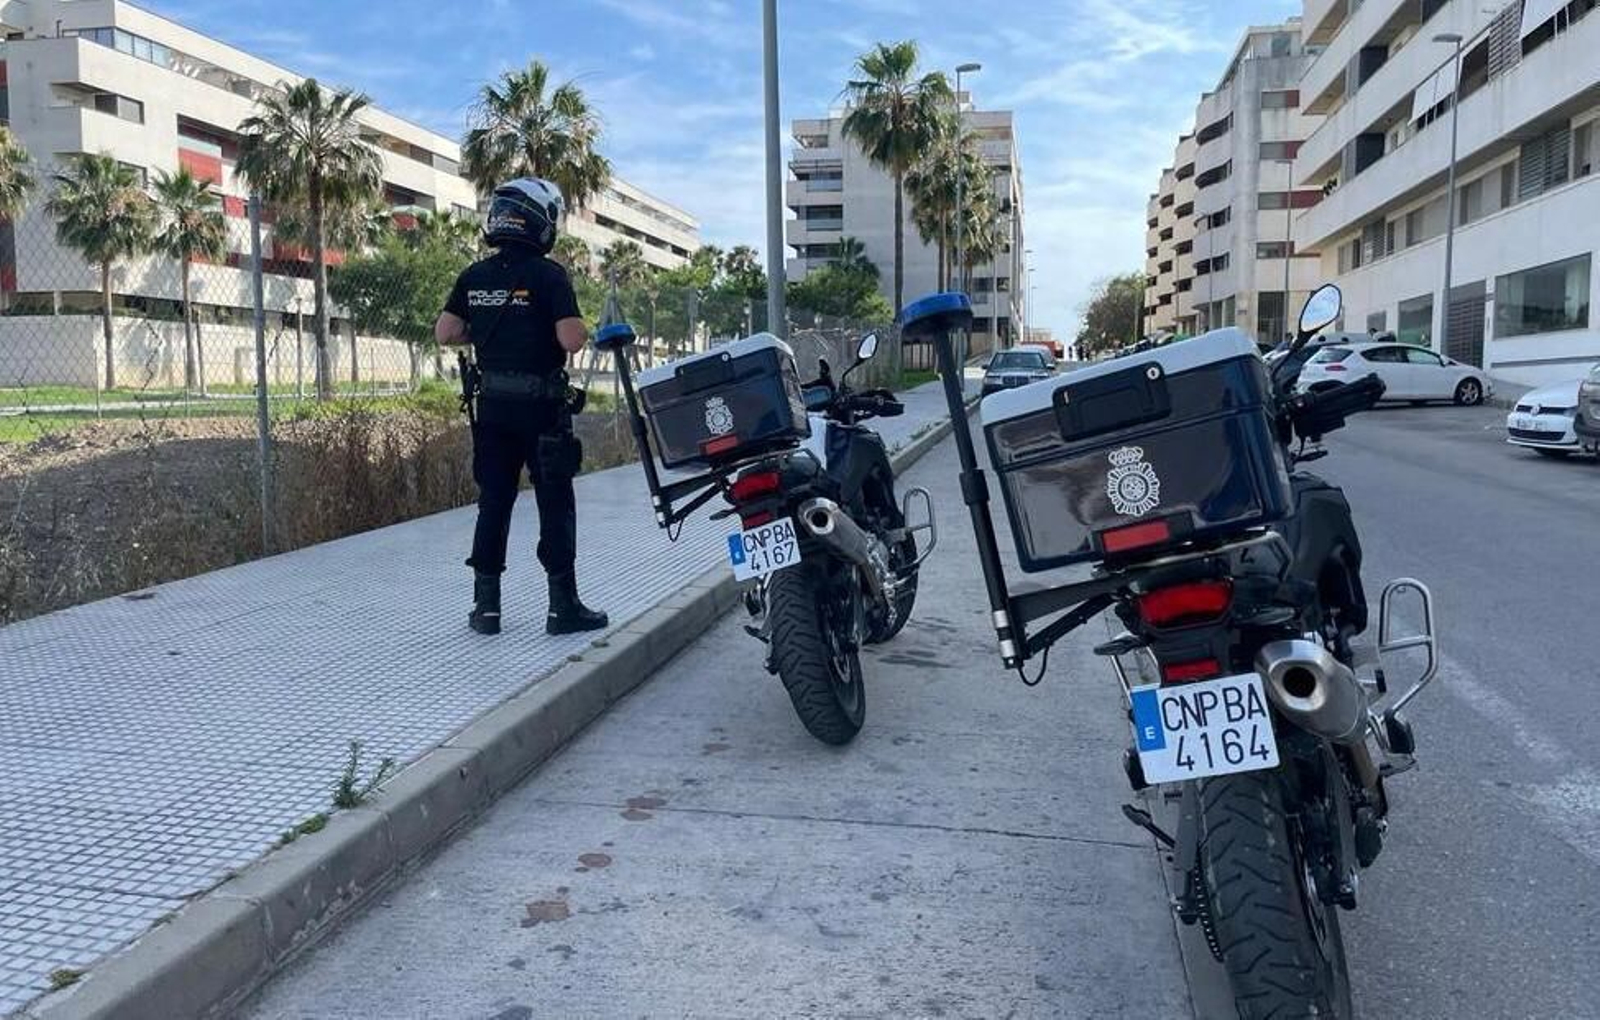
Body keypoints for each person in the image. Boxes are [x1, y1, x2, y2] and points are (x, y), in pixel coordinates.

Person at [435, 178, 607, 637]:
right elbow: (570, 339)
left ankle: (485, 608)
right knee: (554, 502)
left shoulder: (474, 276)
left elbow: (446, 332)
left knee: (494, 501)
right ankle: (562, 606)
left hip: (491, 409)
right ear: (542, 220)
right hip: (542, 411)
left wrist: (492, 328)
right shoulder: (549, 276)